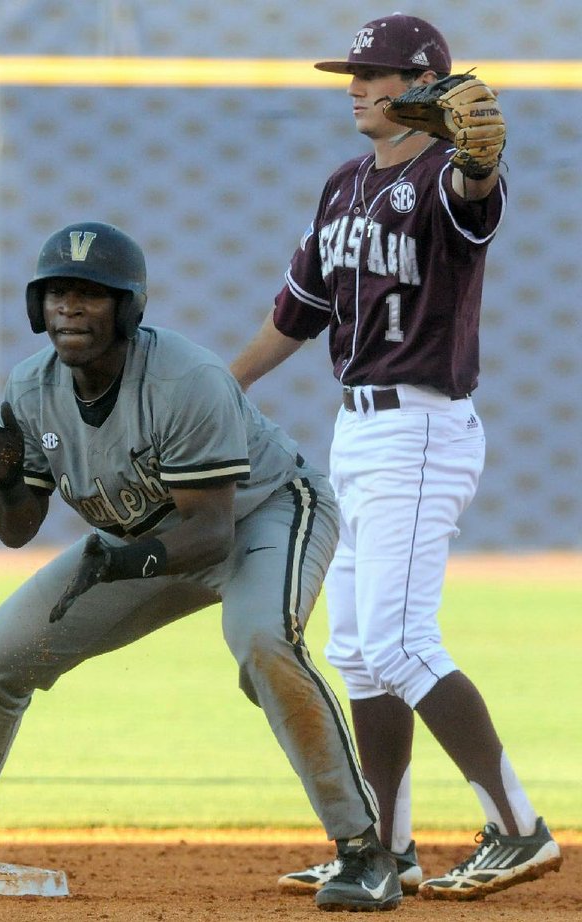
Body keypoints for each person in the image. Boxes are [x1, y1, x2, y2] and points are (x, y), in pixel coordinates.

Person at [0, 221, 403, 911]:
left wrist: (120, 562)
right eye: (56, 294)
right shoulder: (31, 388)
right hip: (140, 543)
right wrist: (8, 482)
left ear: (129, 308)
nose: (70, 308)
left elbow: (207, 532)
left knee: (264, 642)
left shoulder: (185, 379)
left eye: (90, 294)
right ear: (36, 308)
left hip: (265, 514)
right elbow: (19, 532)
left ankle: (364, 850)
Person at [230, 13, 562, 903]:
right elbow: (297, 312)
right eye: (352, 72)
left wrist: (481, 161)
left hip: (421, 426)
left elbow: (476, 188)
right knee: (359, 652)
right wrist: (224, 390)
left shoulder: (444, 176)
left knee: (401, 639)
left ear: (421, 87)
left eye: (372, 74)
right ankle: (384, 848)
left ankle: (518, 827)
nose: (354, 86)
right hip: (359, 430)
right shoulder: (342, 187)